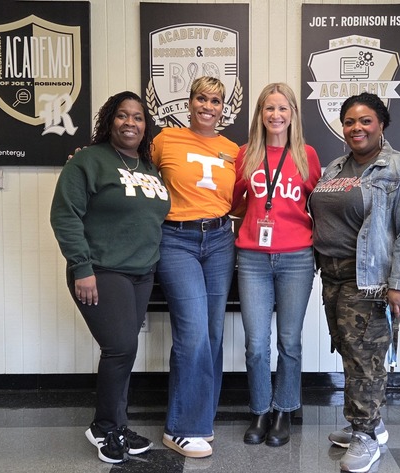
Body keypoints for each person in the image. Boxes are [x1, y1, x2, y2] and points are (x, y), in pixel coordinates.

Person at [308, 92, 400, 473]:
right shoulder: (334, 169)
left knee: (365, 358)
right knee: (351, 352)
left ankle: (364, 435)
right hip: (332, 275)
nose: (356, 128)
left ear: (381, 125)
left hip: (371, 280)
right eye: (349, 121)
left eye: (365, 121)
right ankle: (370, 423)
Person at [49, 91, 170, 464]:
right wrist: (81, 268)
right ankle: (106, 427)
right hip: (101, 270)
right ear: (110, 120)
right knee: (120, 348)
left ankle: (113, 422)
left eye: (137, 117)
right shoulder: (88, 160)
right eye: (122, 115)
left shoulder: (150, 167)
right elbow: (65, 215)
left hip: (140, 274)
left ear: (145, 125)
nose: (130, 123)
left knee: (123, 350)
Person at [153, 76, 239, 458]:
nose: (208, 106)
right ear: (189, 103)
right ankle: (181, 428)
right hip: (176, 240)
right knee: (192, 333)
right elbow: (128, 168)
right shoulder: (164, 140)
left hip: (221, 239)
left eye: (216, 100)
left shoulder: (233, 149)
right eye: (201, 98)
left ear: (224, 107)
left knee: (213, 333)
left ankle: (200, 418)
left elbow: (240, 199)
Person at [232, 83, 321, 447]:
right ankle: (259, 411)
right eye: (269, 109)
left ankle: (284, 410)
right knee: (255, 343)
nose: (276, 115)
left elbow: (320, 204)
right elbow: (235, 202)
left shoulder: (307, 155)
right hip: (252, 257)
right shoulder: (245, 155)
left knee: (289, 341)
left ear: (293, 114)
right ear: (260, 114)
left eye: (283, 108)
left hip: (297, 258)